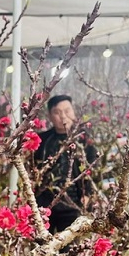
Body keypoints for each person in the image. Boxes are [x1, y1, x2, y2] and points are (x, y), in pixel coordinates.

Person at [34, 94, 97, 233]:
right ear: (50, 116)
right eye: (57, 112)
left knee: (69, 249)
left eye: (67, 111)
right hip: (45, 204)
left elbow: (93, 169)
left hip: (73, 203)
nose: (63, 116)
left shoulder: (85, 140)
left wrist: (87, 196)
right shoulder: (42, 140)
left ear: (74, 112)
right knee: (44, 248)